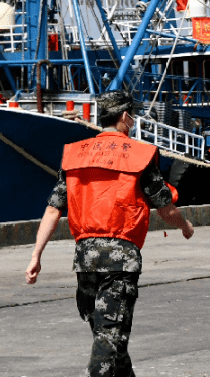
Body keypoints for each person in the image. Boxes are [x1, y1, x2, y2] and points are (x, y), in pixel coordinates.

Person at [25, 90, 195, 377]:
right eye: (133, 115)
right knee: (109, 338)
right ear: (125, 117)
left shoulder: (75, 155)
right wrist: (186, 227)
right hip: (120, 258)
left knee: (108, 335)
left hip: (85, 258)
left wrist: (35, 255)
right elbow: (166, 208)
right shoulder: (140, 155)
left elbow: (53, 210)